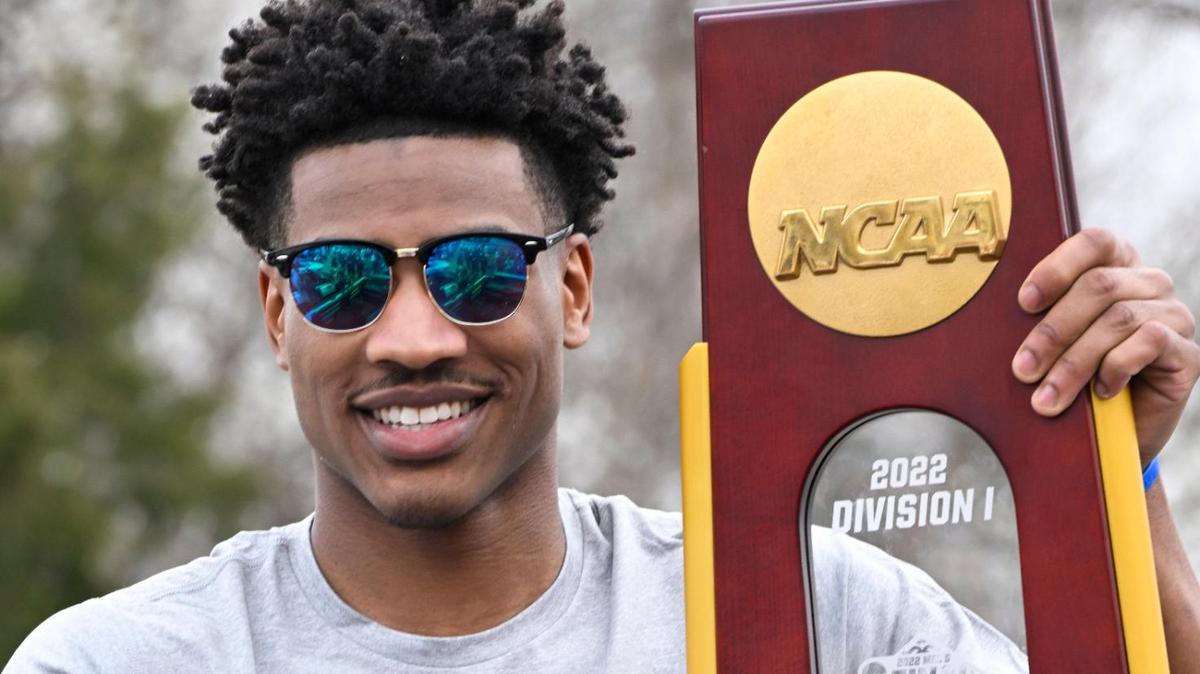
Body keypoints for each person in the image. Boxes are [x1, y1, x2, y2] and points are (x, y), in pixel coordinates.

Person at [6, 1, 1200, 672]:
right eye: (341, 281)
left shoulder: (822, 616)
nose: (412, 337)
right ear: (279, 314)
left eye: (477, 271)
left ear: (572, 287)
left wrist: (1113, 471)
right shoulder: (127, 662)